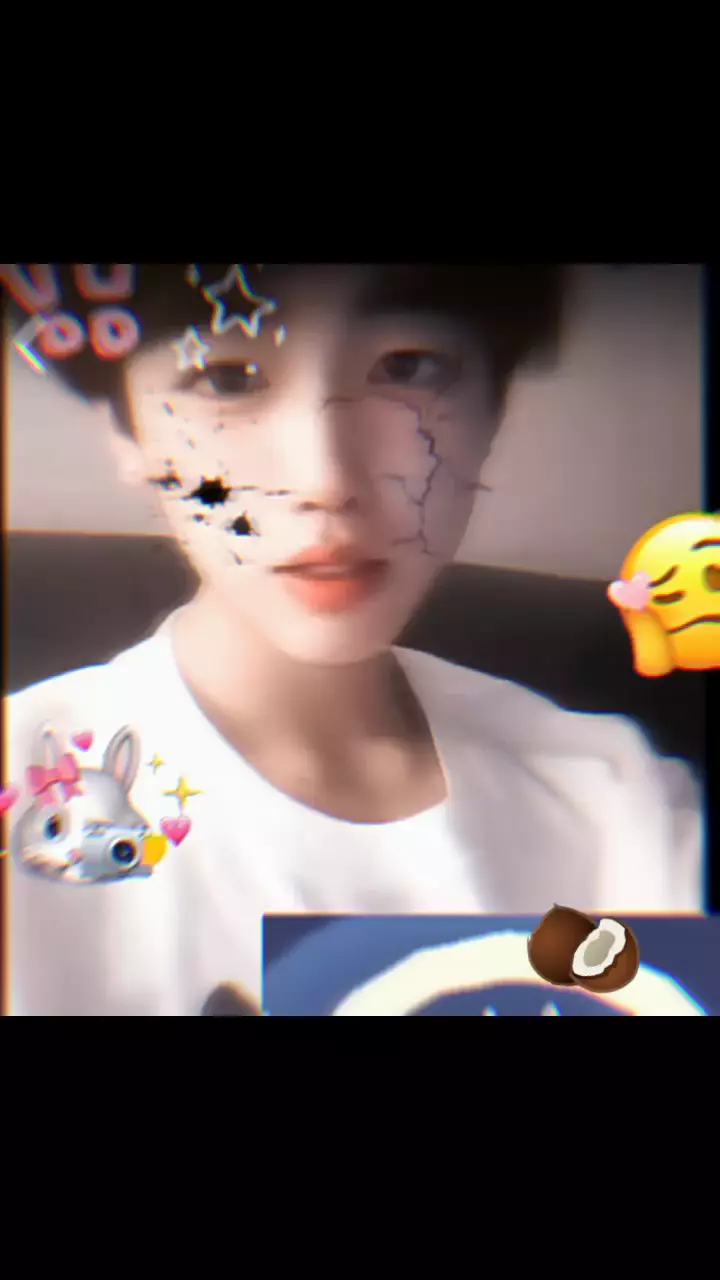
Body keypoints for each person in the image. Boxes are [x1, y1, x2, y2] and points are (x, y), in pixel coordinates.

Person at [4, 263, 703, 1017]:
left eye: (408, 367)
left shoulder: (616, 805)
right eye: (227, 379)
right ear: (124, 428)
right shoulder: (25, 796)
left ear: (494, 409)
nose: (324, 481)